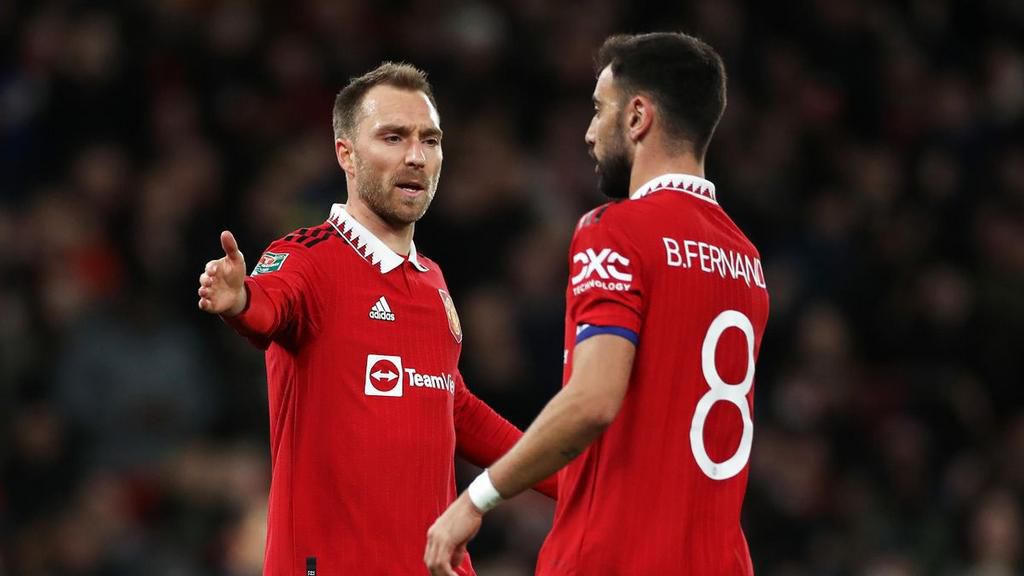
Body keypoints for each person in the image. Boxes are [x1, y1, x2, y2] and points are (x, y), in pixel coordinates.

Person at [425, 32, 770, 575]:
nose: (588, 133)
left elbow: (593, 400)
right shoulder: (745, 260)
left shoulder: (617, 231)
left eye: (597, 110)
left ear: (637, 117)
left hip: (612, 557)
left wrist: (476, 499)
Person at [197, 62, 555, 576]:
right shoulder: (306, 257)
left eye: (429, 140)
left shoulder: (432, 281)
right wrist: (240, 302)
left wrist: (571, 479)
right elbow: (270, 307)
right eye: (393, 137)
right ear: (346, 153)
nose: (415, 156)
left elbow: (455, 410)